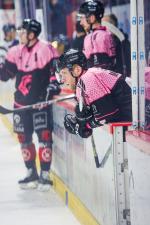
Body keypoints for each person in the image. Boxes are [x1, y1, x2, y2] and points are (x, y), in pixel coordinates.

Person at [0, 19, 61, 190]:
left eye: (23, 32)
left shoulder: (47, 49)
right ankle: (31, 172)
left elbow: (56, 72)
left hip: (40, 103)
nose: (20, 34)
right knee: (24, 140)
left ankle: (45, 175)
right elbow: (5, 74)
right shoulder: (15, 51)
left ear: (32, 35)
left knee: (44, 139)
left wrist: (53, 84)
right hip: (20, 104)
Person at [56, 49, 132, 138]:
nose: (62, 80)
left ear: (77, 70)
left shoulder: (88, 79)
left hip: (144, 110)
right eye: (60, 75)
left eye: (64, 73)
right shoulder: (84, 82)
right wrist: (81, 121)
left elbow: (109, 115)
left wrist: (84, 125)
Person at [78, 0, 116, 70]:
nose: (80, 22)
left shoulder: (97, 36)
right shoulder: (104, 34)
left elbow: (99, 71)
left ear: (92, 18)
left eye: (82, 18)